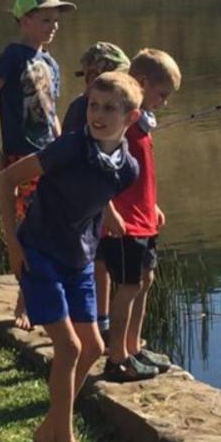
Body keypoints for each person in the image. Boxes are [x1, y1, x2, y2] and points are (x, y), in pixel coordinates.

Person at [0, 70, 143, 442]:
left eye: (109, 109)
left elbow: (97, 187)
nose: (98, 115)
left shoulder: (127, 169)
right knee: (69, 348)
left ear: (130, 118)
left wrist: (108, 213)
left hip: (79, 258)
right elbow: (6, 179)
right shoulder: (69, 147)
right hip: (39, 253)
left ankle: (50, 426)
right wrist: (13, 244)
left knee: (93, 347)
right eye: (94, 105)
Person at [0, 0, 73, 328]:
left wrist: (64, 148)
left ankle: (38, 298)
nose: (53, 26)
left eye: (56, 20)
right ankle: (24, 303)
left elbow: (51, 112)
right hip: (21, 155)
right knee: (30, 227)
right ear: (24, 20)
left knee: (51, 223)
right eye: (46, 20)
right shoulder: (13, 56)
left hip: (49, 156)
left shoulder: (50, 62)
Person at [99, 48, 182, 382]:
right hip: (124, 223)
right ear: (143, 83)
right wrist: (108, 210)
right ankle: (116, 358)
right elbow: (102, 171)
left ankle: (133, 347)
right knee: (129, 285)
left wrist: (153, 206)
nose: (165, 102)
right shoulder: (120, 123)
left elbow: (140, 173)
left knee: (145, 280)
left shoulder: (142, 122)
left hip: (143, 217)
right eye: (162, 94)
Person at [60, 41, 131, 335]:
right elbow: (88, 168)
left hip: (94, 203)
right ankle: (86, 323)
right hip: (82, 204)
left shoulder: (97, 109)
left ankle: (100, 321)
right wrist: (109, 210)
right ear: (94, 77)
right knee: (89, 261)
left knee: (100, 260)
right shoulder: (84, 111)